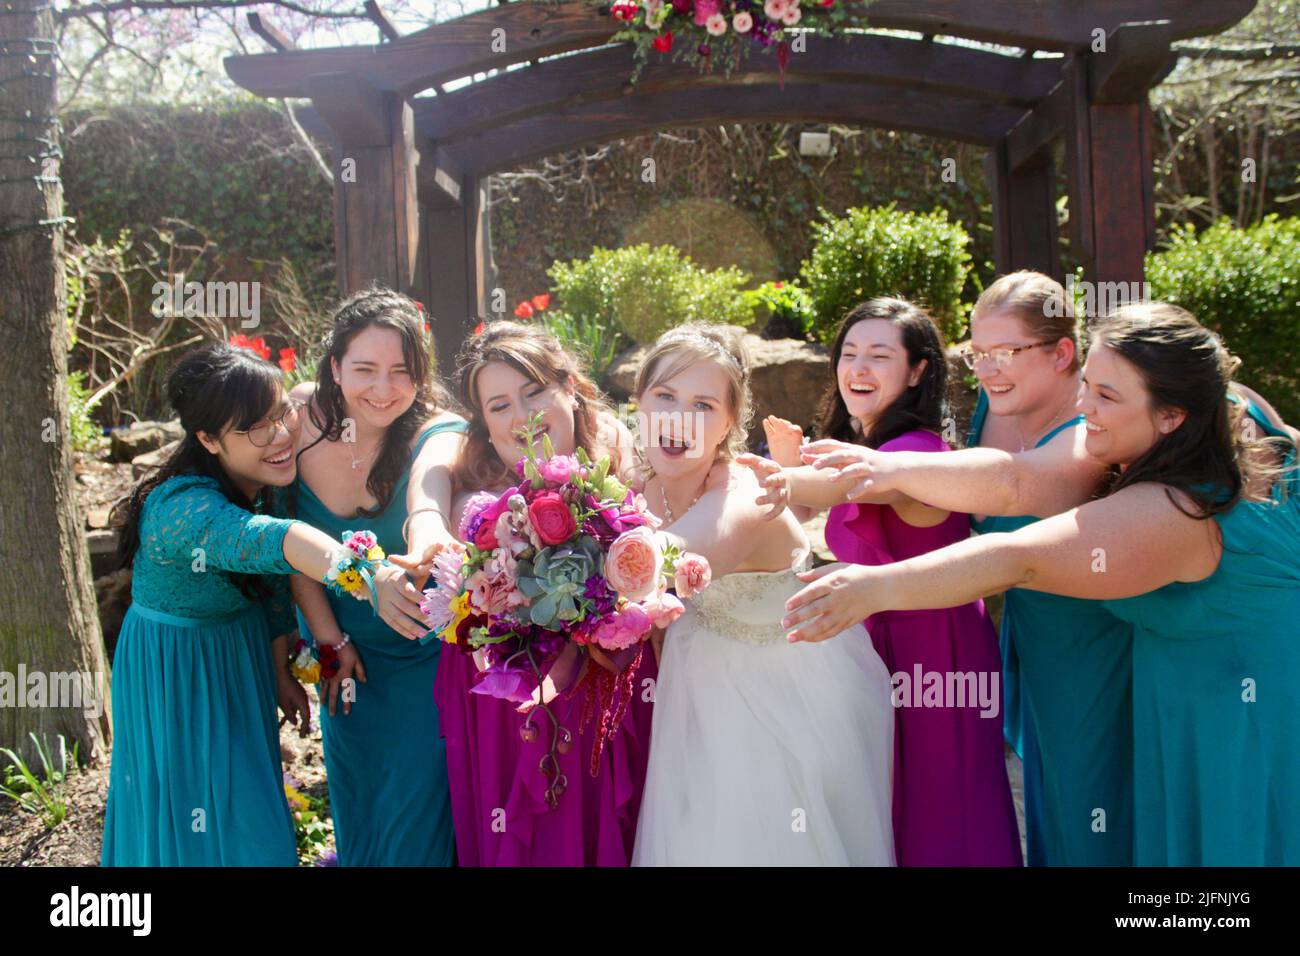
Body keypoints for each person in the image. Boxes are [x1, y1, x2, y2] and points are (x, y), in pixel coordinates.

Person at [783, 302, 1300, 866]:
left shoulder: (1175, 511)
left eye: (1107, 396)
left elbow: (1017, 555)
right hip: (1181, 698)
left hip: (1241, 723)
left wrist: (875, 586)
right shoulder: (1227, 406)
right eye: (1088, 385)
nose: (1083, 408)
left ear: (1172, 415)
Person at [103, 342, 416, 866]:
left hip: (239, 649)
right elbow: (281, 543)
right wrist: (369, 577)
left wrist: (276, 668)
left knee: (249, 806)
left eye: (282, 414)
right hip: (177, 667)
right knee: (194, 814)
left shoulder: (268, 481)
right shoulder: (181, 509)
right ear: (207, 438)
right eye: (255, 427)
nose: (280, 436)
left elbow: (275, 586)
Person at [741, 297, 1020, 866]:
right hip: (877, 646)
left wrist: (783, 477)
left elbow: (856, 486)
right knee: (885, 804)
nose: (858, 368)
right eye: (849, 353)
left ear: (917, 371)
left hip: (935, 656)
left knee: (942, 810)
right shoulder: (868, 446)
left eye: (879, 355)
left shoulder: (916, 451)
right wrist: (792, 470)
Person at [630, 323, 895, 866]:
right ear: (638, 403)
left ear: (730, 421)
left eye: (703, 404)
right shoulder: (639, 483)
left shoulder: (744, 492)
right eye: (664, 396)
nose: (679, 417)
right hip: (698, 665)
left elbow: (680, 556)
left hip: (783, 686)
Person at [437, 320, 654, 866]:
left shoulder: (621, 474)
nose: (521, 415)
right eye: (499, 405)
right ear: (484, 424)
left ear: (571, 390)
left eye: (534, 392)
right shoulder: (471, 495)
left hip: (603, 687)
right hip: (502, 695)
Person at [288, 288, 467, 866]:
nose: (383, 389)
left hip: (423, 663)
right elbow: (285, 543)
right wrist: (329, 640)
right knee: (359, 814)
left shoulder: (437, 430)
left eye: (401, 372)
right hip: (345, 664)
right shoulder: (297, 420)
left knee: (417, 824)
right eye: (365, 369)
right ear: (334, 367)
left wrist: (424, 542)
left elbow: (428, 498)